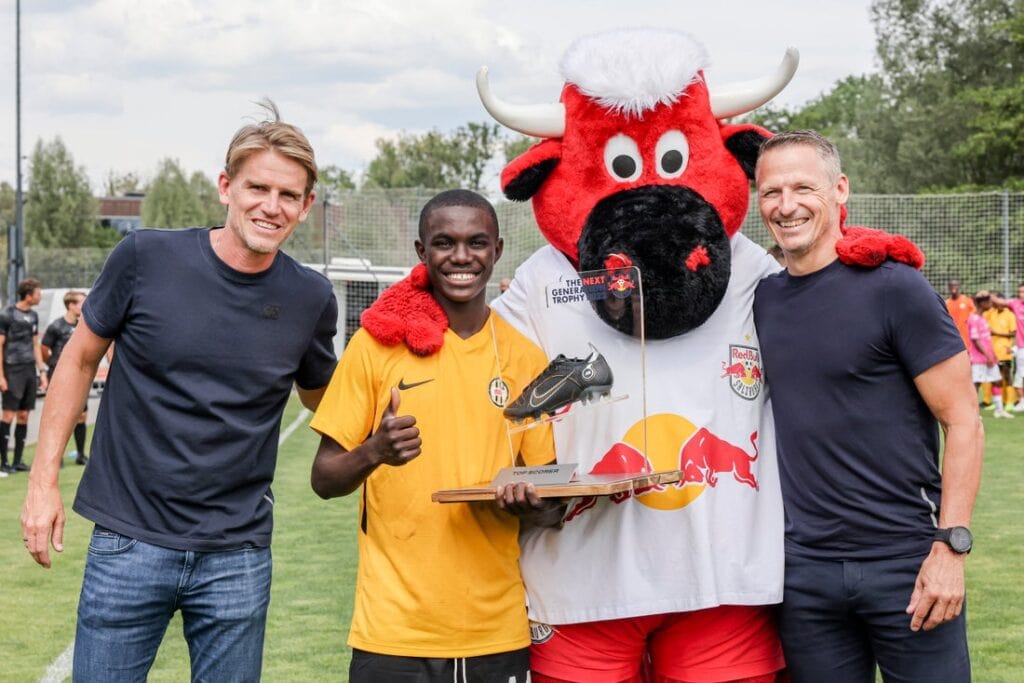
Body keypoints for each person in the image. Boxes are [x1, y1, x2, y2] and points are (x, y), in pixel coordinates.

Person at [20, 101, 338, 682]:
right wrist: (42, 485)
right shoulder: (145, 257)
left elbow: (324, 397)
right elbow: (77, 359)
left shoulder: (311, 297)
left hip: (237, 555)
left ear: (306, 205)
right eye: (258, 187)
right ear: (226, 187)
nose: (271, 206)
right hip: (127, 540)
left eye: (288, 195)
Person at [753, 130, 983, 682]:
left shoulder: (894, 289)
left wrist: (950, 550)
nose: (786, 206)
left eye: (803, 187)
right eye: (770, 192)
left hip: (907, 565)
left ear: (840, 189)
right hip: (803, 575)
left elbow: (964, 421)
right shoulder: (761, 298)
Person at [309, 189, 555, 683]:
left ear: (498, 251)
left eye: (476, 243)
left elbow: (552, 504)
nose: (461, 257)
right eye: (444, 243)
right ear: (422, 252)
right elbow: (324, 478)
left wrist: (528, 502)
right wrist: (375, 451)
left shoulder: (526, 359)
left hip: (496, 628)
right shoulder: (376, 347)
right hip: (394, 630)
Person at [0, 278, 48, 475]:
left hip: (29, 369)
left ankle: (18, 461)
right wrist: (1, 376)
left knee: (24, 415)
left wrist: (42, 371)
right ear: (28, 294)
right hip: (12, 369)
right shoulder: (7, 314)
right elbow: (0, 346)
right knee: (9, 415)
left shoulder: (34, 316)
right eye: (38, 293)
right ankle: (4, 462)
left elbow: (36, 345)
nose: (40, 296)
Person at [41, 290, 90, 465]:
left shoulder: (84, 326)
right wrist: (53, 365)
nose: (85, 305)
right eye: (81, 302)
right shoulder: (56, 326)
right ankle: (56, 457)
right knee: (58, 415)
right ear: (71, 305)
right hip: (59, 375)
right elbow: (44, 349)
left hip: (79, 377)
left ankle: (80, 454)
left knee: (82, 415)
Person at [966, 292, 1006, 416]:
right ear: (982, 304)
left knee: (997, 381)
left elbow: (986, 339)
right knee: (976, 384)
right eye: (988, 302)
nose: (990, 304)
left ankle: (999, 410)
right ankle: (974, 413)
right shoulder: (973, 318)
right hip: (978, 358)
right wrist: (988, 356)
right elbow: (976, 340)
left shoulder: (983, 318)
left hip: (988, 357)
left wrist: (992, 355)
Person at [983, 291, 1017, 411]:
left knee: (1006, 376)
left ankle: (1009, 402)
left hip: (1004, 351)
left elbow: (1013, 333)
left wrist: (996, 333)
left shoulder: (1009, 315)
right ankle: (997, 401)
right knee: (994, 378)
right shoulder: (991, 313)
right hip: (992, 351)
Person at [1003, 284, 1024, 413]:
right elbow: (1000, 302)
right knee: (1019, 376)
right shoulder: (1016, 304)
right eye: (1020, 292)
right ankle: (1021, 401)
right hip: (1021, 348)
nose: (1021, 294)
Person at [945, 279, 975, 352]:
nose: (953, 287)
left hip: (966, 336)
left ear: (959, 287)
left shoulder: (967, 300)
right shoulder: (947, 303)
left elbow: (974, 316)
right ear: (948, 287)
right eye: (951, 286)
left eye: (955, 285)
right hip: (952, 336)